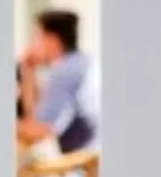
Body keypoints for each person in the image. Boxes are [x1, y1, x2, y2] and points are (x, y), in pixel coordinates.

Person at [14, 9, 100, 157]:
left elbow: (37, 132)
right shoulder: (81, 62)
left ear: (52, 40)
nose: (32, 44)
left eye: (36, 37)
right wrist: (28, 71)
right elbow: (38, 116)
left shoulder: (64, 72)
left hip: (86, 162)